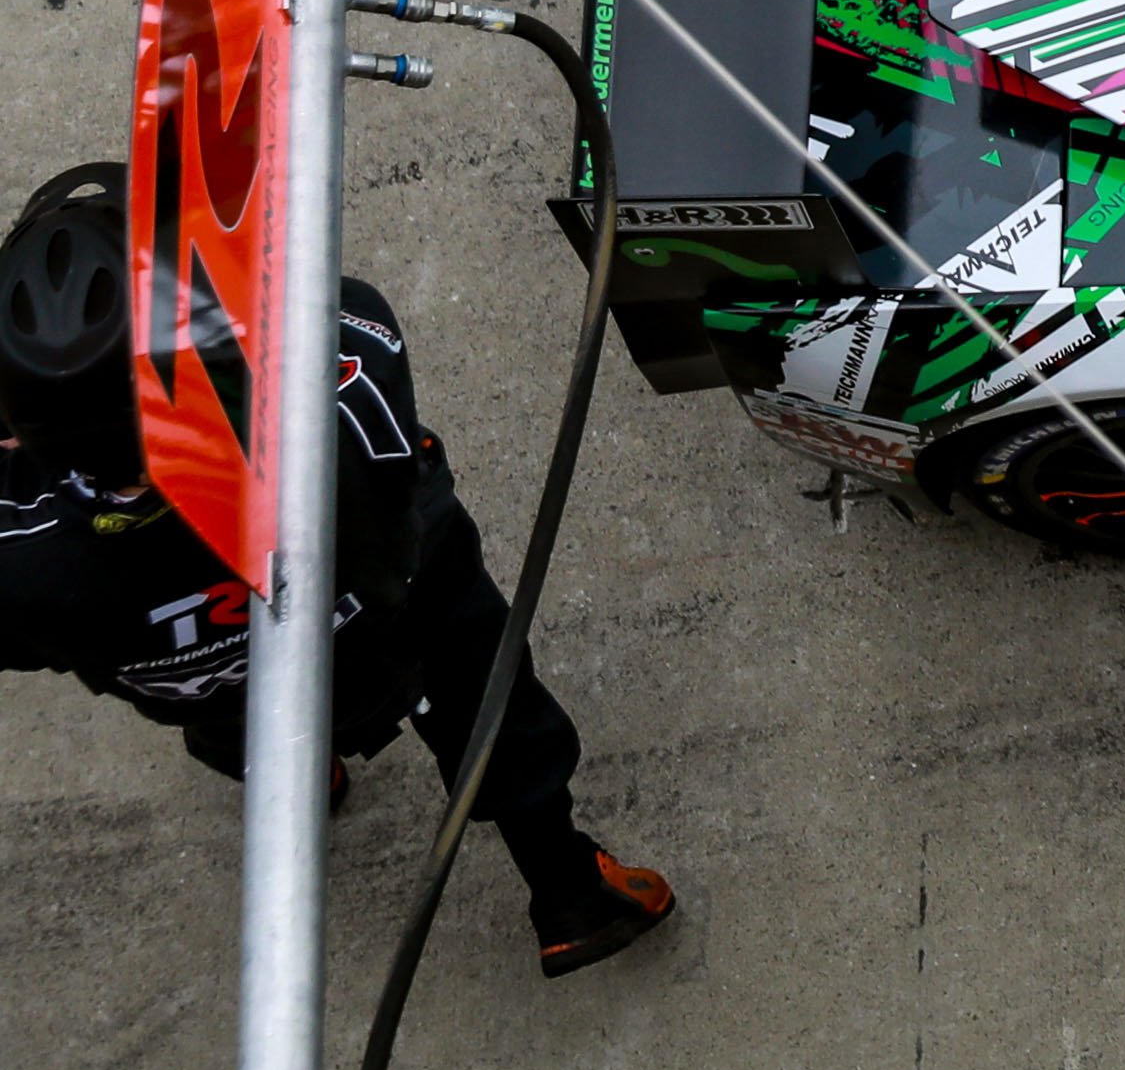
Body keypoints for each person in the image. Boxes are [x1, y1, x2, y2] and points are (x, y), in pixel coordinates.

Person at [0, 162, 678, 977]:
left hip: (212, 684)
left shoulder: (18, 555)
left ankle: (302, 776)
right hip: (396, 621)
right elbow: (316, 298)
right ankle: (570, 892)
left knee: (234, 720)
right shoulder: (345, 374)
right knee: (485, 701)